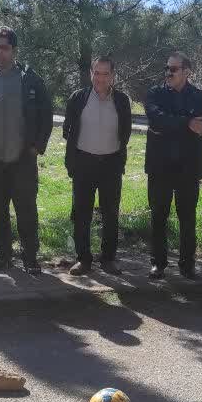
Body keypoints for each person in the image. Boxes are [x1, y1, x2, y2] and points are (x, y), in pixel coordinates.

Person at [0, 26, 53, 275]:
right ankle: (3, 255)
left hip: (22, 159)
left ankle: (30, 257)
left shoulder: (29, 79)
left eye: (4, 47)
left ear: (14, 50)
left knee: (26, 210)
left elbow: (46, 114)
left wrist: (37, 147)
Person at [62, 56, 132, 275]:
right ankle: (83, 259)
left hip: (111, 164)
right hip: (84, 163)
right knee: (81, 214)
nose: (100, 78)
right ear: (91, 73)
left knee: (110, 214)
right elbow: (68, 129)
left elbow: (126, 132)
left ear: (113, 76)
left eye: (105, 74)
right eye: (96, 73)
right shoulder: (78, 98)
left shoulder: (122, 100)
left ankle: (108, 259)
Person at [144, 51, 202, 280]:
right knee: (158, 217)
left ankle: (187, 265)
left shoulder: (201, 97)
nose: (168, 73)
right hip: (160, 166)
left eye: (173, 69)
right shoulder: (154, 93)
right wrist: (186, 122)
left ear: (186, 71)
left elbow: (172, 123)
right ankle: (158, 263)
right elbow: (156, 120)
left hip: (188, 168)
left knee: (187, 218)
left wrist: (169, 123)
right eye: (166, 68)